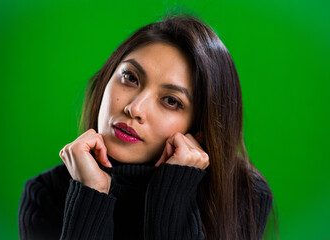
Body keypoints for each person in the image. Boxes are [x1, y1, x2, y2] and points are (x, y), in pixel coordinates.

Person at [18, 12, 274, 240]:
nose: (135, 108)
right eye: (130, 77)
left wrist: (170, 198)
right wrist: (90, 194)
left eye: (171, 101)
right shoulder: (46, 195)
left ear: (199, 130)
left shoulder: (243, 196)